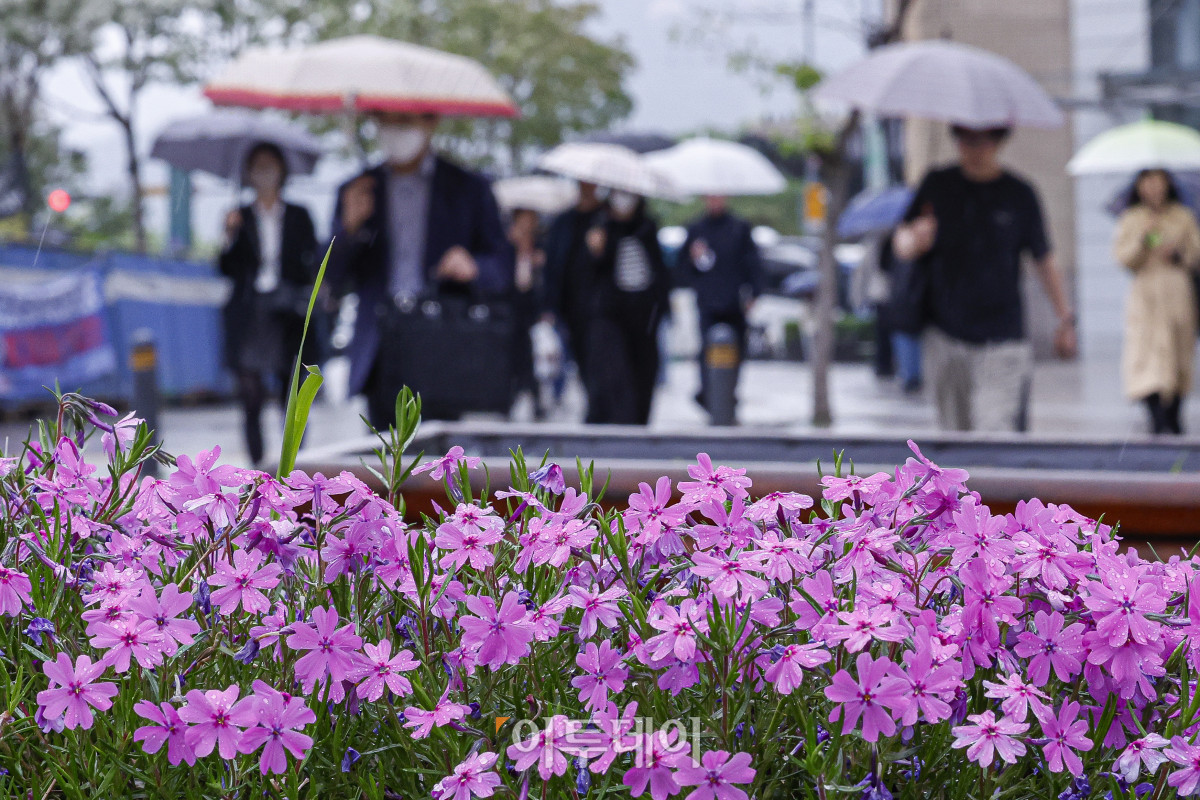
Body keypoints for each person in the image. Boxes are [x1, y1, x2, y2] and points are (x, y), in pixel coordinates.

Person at [328, 111, 512, 429]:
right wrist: (349, 229)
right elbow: (330, 278)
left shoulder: (469, 188)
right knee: (381, 460)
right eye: (388, 121)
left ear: (431, 121)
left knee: (439, 459)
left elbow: (502, 268)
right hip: (381, 341)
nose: (396, 131)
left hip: (443, 339)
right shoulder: (357, 189)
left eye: (406, 121)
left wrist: (474, 267)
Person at [892, 124, 1076, 432]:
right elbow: (901, 239)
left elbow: (1043, 257)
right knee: (954, 438)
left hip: (1003, 337)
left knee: (996, 432)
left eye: (981, 140)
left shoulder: (1019, 193)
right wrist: (913, 241)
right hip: (946, 334)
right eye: (964, 139)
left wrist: (1064, 318)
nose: (973, 148)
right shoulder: (937, 184)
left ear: (998, 141)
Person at [218, 142, 319, 467]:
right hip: (251, 311)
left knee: (292, 390)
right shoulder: (239, 215)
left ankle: (295, 466)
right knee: (250, 392)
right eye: (257, 166)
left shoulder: (300, 215)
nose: (264, 172)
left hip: (288, 311)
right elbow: (226, 269)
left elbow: (311, 262)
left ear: (282, 170)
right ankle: (258, 468)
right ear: (248, 173)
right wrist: (229, 236)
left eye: (270, 165)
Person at [1113, 168, 1200, 434]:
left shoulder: (1182, 216)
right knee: (1145, 356)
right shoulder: (1132, 218)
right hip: (1146, 295)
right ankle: (1155, 413)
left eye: (1158, 183)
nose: (1153, 189)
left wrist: (1177, 254)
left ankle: (1174, 413)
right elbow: (1123, 258)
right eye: (1148, 183)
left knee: (1177, 356)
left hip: (1176, 293)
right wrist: (1143, 238)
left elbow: (1195, 254)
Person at [581, 188, 670, 425]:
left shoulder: (647, 228)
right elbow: (589, 276)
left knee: (643, 375)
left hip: (644, 317)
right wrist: (596, 250)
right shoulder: (600, 226)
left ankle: (637, 428)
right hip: (611, 315)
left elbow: (659, 274)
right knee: (615, 377)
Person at [675, 195, 763, 417]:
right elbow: (682, 270)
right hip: (707, 305)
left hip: (734, 303)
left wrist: (754, 293)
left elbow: (753, 264)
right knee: (707, 353)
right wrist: (694, 260)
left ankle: (729, 396)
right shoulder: (696, 229)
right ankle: (709, 396)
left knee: (736, 353)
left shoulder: (739, 228)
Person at [542, 181, 606, 381]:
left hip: (603, 308)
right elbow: (552, 266)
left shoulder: (607, 218)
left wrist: (602, 249)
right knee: (580, 362)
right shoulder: (563, 222)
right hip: (570, 308)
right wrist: (548, 306)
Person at [507, 206, 548, 418]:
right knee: (513, 359)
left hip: (531, 313)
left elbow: (543, 284)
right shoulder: (506, 246)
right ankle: (509, 400)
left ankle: (536, 402)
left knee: (531, 359)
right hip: (511, 313)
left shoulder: (540, 248)